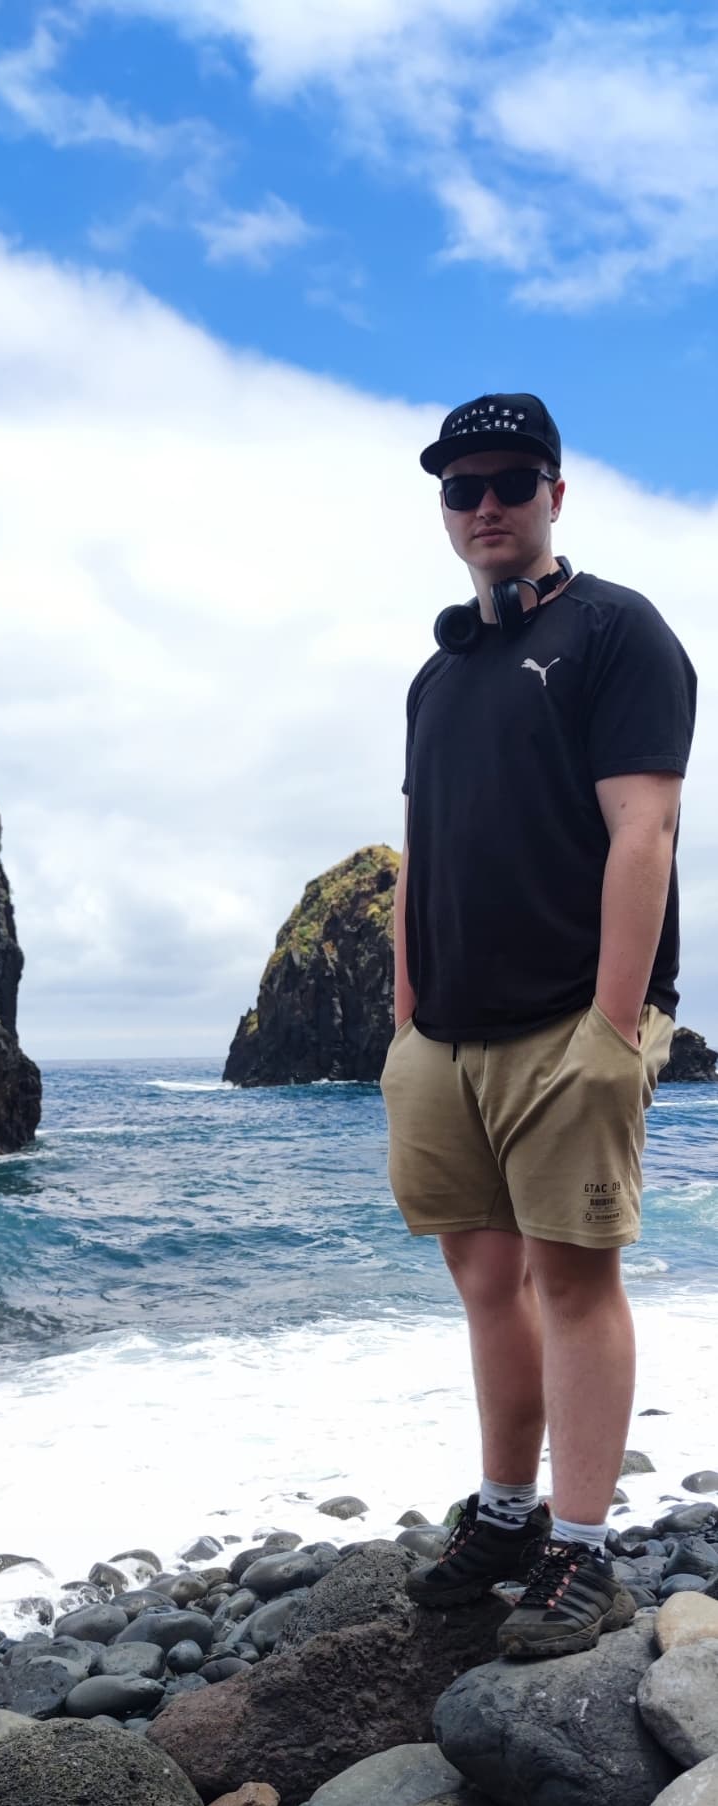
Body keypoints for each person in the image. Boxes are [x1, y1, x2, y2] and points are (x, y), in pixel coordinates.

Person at [381, 391, 696, 1658]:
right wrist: (407, 1018)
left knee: (573, 1277)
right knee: (481, 1277)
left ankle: (580, 1550)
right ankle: (504, 1515)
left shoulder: (620, 632)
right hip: (444, 1039)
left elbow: (646, 831)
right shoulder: (438, 672)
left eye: (511, 480)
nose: (487, 505)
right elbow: (418, 849)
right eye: (463, 488)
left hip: (572, 1021)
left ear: (555, 492)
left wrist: (614, 1025)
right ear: (445, 510)